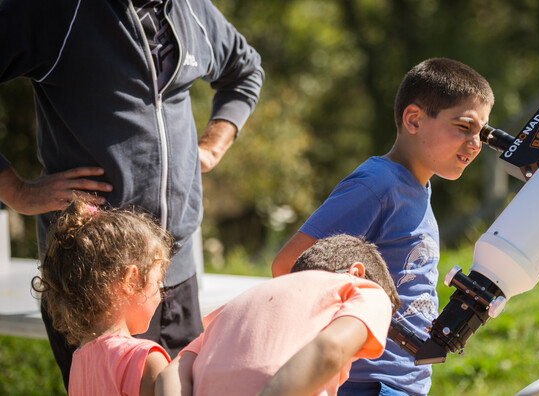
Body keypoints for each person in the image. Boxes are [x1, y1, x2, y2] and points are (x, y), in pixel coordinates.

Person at [0, 0, 264, 387]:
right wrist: (15, 191)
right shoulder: (56, 10)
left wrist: (212, 144)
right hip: (94, 290)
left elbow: (245, 70)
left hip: (176, 273)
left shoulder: (190, 8)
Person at [271, 57, 495, 396]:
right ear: (414, 119)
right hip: (366, 382)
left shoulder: (416, 188)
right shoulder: (378, 184)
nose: (476, 143)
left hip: (403, 382)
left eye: (482, 132)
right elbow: (288, 265)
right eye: (464, 127)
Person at [155, 234, 401, 396]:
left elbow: (170, 373)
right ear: (357, 272)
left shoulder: (236, 304)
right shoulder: (364, 290)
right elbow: (332, 348)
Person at [31, 199, 175, 396]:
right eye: (157, 282)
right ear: (131, 281)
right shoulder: (146, 360)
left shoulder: (79, 361)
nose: (161, 295)